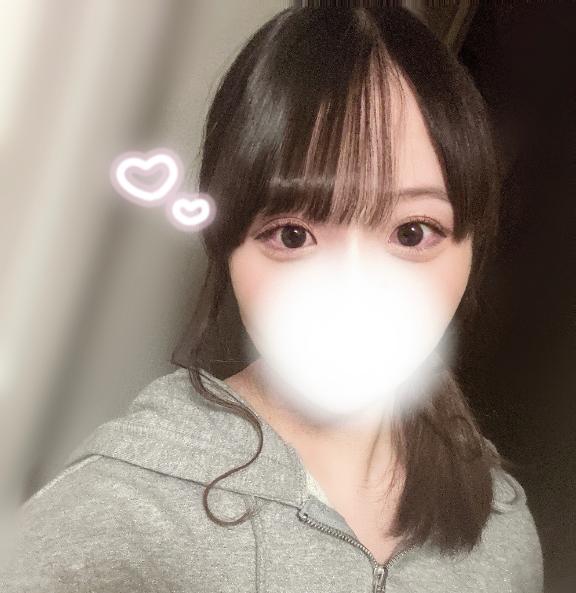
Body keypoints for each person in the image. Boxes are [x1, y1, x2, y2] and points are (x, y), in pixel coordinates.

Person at [1, 7, 543, 593]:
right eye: (293, 235)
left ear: (470, 248)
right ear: (226, 249)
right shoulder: (122, 512)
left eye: (412, 233)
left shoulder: (504, 529)